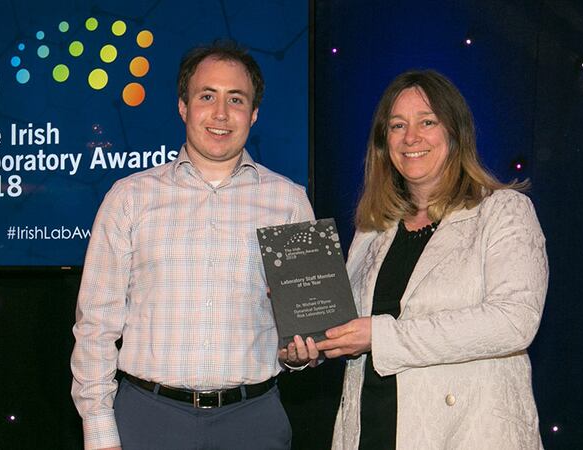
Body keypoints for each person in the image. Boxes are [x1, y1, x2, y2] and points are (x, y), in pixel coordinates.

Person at [71, 41, 319, 450]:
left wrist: (302, 351)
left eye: (235, 99)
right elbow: (95, 326)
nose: (221, 114)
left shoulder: (289, 202)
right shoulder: (129, 198)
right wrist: (99, 431)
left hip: (253, 422)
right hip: (147, 421)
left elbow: (306, 325)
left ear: (253, 114)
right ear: (183, 107)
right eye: (207, 96)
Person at [316, 70, 549, 449]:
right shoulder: (374, 227)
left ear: (455, 134)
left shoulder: (504, 211)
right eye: (397, 126)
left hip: (465, 434)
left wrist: (381, 335)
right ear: (383, 142)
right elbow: (347, 324)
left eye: (427, 122)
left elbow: (514, 321)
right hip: (372, 429)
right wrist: (308, 344)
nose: (411, 138)